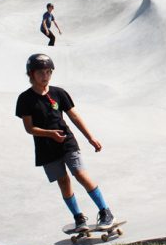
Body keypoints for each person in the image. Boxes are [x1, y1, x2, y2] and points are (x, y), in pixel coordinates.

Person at [15, 53, 115, 231]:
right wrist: (49, 134)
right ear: (31, 74)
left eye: (48, 72)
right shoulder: (25, 99)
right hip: (46, 147)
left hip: (67, 141)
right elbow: (29, 128)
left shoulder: (58, 93)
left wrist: (90, 137)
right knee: (63, 181)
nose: (45, 76)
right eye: (41, 73)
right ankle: (79, 218)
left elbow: (74, 116)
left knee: (80, 174)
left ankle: (105, 211)